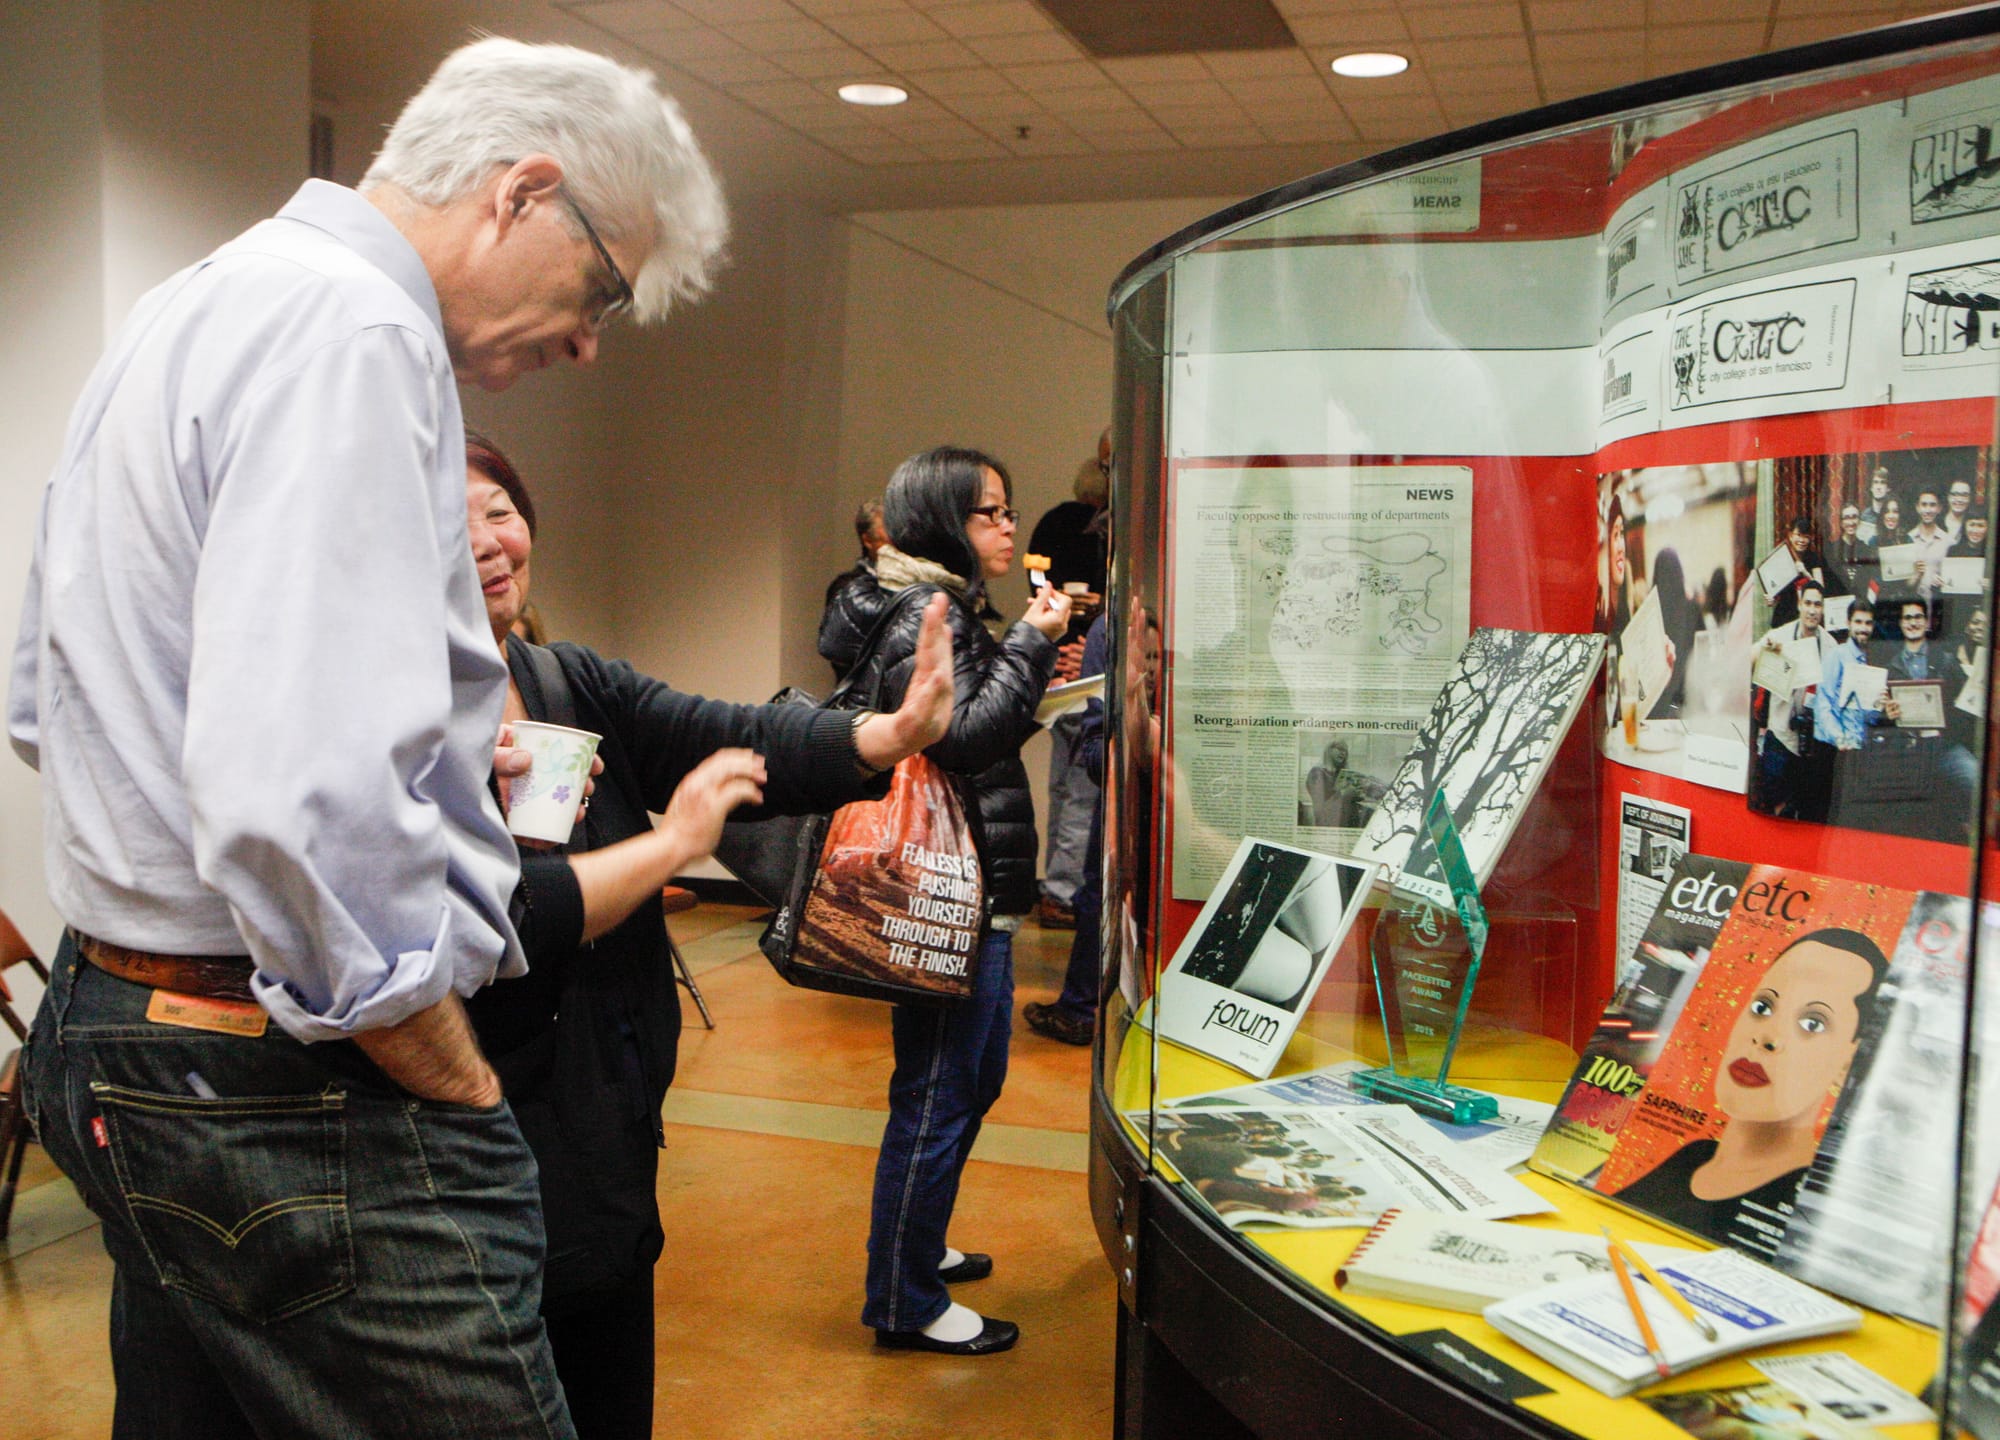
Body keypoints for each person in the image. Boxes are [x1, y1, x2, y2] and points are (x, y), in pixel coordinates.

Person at [8, 38, 728, 1440]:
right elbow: (296, 802)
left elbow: (52, 699)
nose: (586, 343)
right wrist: (452, 1080)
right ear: (523, 193)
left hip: (115, 1024)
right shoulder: (359, 333)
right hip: (288, 1073)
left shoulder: (191, 303)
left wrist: (435, 785)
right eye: (601, 292)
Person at [462, 435, 953, 1437]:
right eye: (449, 518)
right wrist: (675, 842)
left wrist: (881, 736)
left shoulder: (563, 679)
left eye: (500, 508)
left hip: (606, 1105)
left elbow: (726, 730)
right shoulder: (390, 718)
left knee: (608, 1366)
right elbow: (499, 917)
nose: (486, 541)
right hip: (482, 1121)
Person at [842, 445, 1071, 1356]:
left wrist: (1029, 665)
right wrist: (1031, 642)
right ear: (944, 523)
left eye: (1009, 510)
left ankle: (919, 1246)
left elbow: (972, 727)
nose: (1009, 527)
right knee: (939, 1092)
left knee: (968, 1081)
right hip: (950, 890)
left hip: (976, 885)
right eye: (989, 513)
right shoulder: (924, 612)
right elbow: (969, 738)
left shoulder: (939, 606)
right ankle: (903, 1298)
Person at [1613, 930, 1889, 1250]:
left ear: (1848, 1061)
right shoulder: (1693, 1156)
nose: (1767, 1037)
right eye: (1763, 1006)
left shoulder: (1811, 1205)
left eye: (1812, 1023)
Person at [1028, 429, 1111, 930]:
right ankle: (1063, 889)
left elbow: (1036, 581)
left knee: (1065, 788)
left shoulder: (1055, 526)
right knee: (1077, 789)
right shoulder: (1095, 529)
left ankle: (1057, 889)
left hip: (1062, 668)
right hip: (1082, 673)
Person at [1025, 613, 1109, 1047]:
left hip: (1127, 791)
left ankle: (1080, 1008)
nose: (1007, 537)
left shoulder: (1110, 626)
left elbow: (1098, 755)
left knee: (1099, 879)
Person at [1751, 581, 1838, 821]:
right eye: (1808, 603)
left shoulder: (1830, 646)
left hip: (1812, 741)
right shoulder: (1779, 636)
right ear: (1799, 604)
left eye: (1817, 605)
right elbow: (1749, 657)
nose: (1812, 610)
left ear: (1823, 609)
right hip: (1780, 734)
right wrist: (1767, 652)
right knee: (1774, 807)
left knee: (1808, 809)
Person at [818, 497, 892, 682]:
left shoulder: (915, 583)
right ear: (867, 540)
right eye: (888, 532)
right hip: (861, 694)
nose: (896, 540)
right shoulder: (846, 588)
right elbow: (840, 652)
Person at [1857, 466, 1893, 544]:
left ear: (1888, 488)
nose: (1878, 487)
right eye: (1875, 482)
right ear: (1871, 488)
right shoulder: (1864, 516)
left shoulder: (1892, 515)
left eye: (1882, 482)